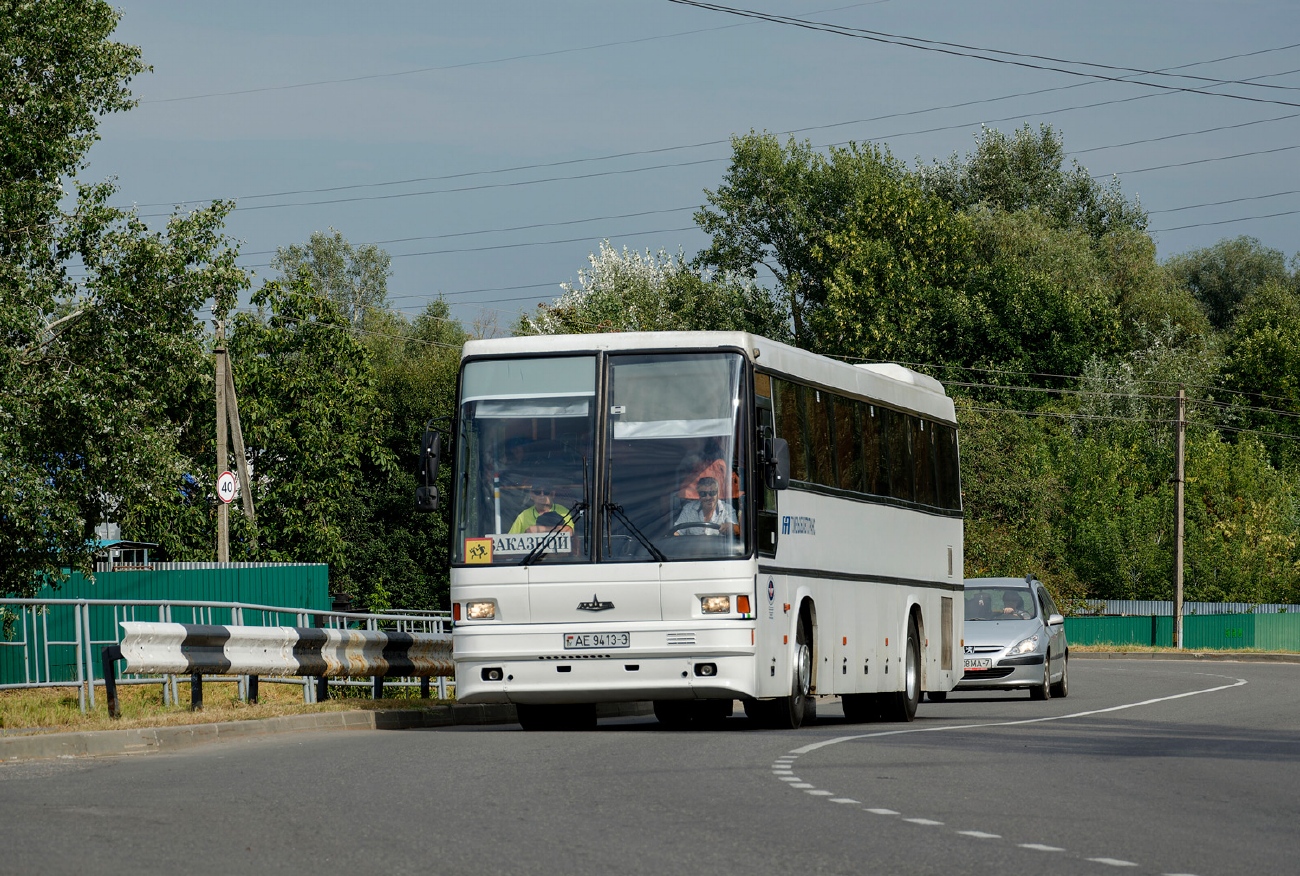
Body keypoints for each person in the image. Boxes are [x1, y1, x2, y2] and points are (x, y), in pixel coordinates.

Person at [672, 476, 738, 536]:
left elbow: (736, 530)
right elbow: (678, 532)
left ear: (718, 493)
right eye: (703, 494)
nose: (708, 497)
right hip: (692, 548)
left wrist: (730, 527)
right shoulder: (688, 509)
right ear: (699, 495)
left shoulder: (727, 509)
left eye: (712, 493)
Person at [509, 481, 573, 533]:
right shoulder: (523, 516)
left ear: (552, 494)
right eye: (537, 492)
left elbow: (569, 531)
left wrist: (539, 529)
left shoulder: (563, 511)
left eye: (546, 492)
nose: (542, 495)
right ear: (531, 495)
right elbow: (510, 540)